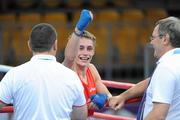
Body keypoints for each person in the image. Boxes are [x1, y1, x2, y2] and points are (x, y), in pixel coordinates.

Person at [0, 23, 87, 120]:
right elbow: (81, 117)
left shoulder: (14, 74)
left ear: (29, 45)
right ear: (55, 45)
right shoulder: (71, 76)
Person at [109, 16, 180, 120]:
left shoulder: (166, 68)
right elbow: (152, 81)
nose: (151, 42)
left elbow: (158, 116)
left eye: (153, 37)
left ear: (165, 39)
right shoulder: (174, 62)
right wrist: (123, 96)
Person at [62, 9, 112, 117]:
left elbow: (108, 95)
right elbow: (69, 57)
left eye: (89, 49)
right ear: (74, 49)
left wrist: (104, 98)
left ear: (93, 51)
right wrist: (78, 29)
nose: (85, 53)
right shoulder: (68, 69)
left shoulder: (92, 69)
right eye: (80, 48)